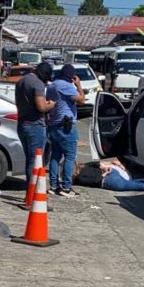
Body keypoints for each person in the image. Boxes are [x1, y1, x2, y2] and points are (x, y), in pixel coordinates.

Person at [46, 64, 86, 197]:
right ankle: (66, 187)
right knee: (70, 156)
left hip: (53, 124)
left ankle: (53, 185)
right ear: (72, 76)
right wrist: (78, 85)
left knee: (55, 155)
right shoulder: (67, 86)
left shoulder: (52, 85)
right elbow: (81, 100)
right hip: (66, 126)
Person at [15, 62, 55, 187]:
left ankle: (30, 193)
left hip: (22, 124)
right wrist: (51, 104)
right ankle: (32, 194)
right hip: (35, 125)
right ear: (42, 74)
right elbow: (41, 107)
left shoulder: (21, 81)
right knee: (35, 160)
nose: (46, 82)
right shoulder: (37, 83)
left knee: (29, 159)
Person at [75, 159, 144, 191]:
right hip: (113, 172)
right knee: (130, 183)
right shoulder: (85, 165)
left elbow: (95, 180)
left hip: (109, 181)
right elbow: (98, 163)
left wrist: (105, 174)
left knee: (136, 186)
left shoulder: (80, 177)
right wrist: (105, 168)